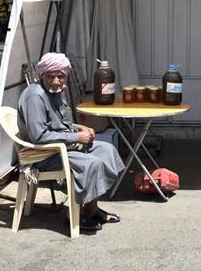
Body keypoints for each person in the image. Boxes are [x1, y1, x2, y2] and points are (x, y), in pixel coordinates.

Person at [18, 52, 125, 233]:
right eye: (51, 76)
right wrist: (76, 137)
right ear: (41, 75)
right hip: (44, 154)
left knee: (106, 150)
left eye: (61, 76)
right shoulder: (35, 96)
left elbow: (60, 124)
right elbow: (39, 136)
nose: (56, 81)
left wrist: (80, 128)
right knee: (92, 163)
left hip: (62, 146)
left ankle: (92, 209)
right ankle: (76, 214)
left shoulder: (56, 91)